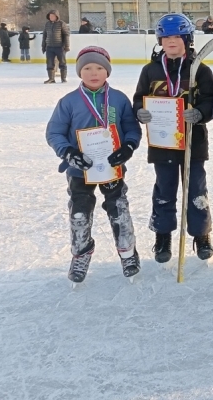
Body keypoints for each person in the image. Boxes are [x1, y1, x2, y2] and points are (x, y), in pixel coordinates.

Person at [45, 46, 143, 284]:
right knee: (79, 214)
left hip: (111, 167)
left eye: (99, 67)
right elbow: (54, 132)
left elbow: (131, 127)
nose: (93, 73)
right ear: (79, 72)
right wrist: (68, 152)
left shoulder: (118, 99)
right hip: (80, 170)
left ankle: (128, 252)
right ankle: (81, 253)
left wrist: (128, 146)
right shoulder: (68, 102)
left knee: (118, 209)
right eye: (87, 68)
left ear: (107, 71)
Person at [133, 13, 213, 264]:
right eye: (166, 37)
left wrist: (201, 112)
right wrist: (140, 111)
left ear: (187, 39)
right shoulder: (150, 70)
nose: (171, 42)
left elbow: (211, 99)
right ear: (160, 40)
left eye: (177, 37)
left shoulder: (199, 70)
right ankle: (163, 234)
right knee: (165, 188)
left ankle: (201, 234)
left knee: (195, 189)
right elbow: (139, 97)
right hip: (163, 142)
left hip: (193, 141)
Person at [42, 10, 71, 84]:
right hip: (49, 47)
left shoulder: (62, 23)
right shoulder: (47, 24)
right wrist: (43, 46)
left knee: (62, 63)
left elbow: (66, 35)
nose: (51, 17)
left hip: (60, 47)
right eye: (50, 16)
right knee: (49, 63)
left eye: (52, 16)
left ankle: (63, 78)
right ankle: (51, 79)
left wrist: (67, 46)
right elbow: (44, 35)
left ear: (56, 16)